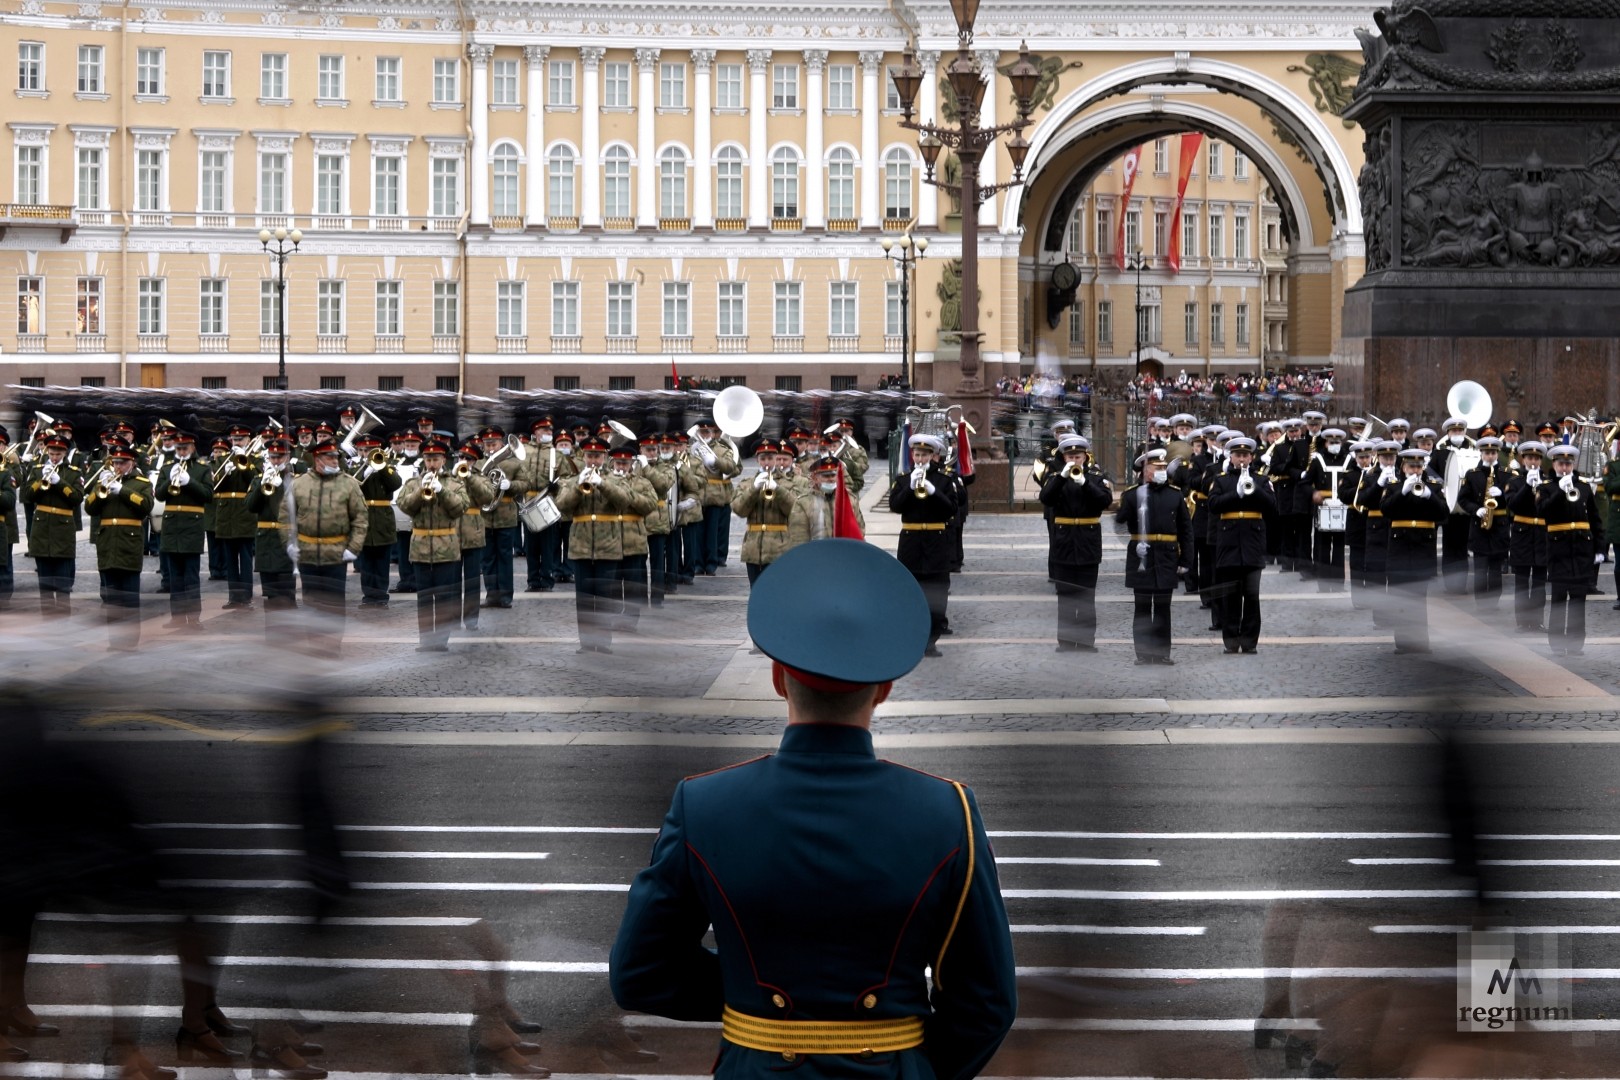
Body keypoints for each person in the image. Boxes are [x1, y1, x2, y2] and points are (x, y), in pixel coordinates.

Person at [609, 539, 1017, 1080]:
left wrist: (752, 997)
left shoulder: (703, 804)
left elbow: (641, 973)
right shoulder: (948, 811)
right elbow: (986, 1002)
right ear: (885, 691)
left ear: (779, 680)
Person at [555, 436, 654, 654]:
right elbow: (561, 506)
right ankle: (586, 643)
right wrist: (578, 487)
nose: (593, 460)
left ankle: (603, 642)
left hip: (608, 546)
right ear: (583, 456)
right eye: (589, 456)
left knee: (604, 597)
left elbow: (624, 501)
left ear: (605, 457)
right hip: (581, 546)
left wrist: (602, 484)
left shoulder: (617, 480)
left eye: (597, 456)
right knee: (584, 598)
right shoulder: (572, 480)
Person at [1114, 448, 1193, 665]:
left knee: (1162, 608)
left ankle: (1161, 653)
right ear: (1144, 471)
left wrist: (1186, 560)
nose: (1161, 471)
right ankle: (1143, 653)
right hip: (1141, 557)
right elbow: (1119, 523)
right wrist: (1132, 540)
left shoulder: (1174, 494)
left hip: (1167, 556)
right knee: (1141, 607)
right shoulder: (1132, 494)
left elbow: (1186, 530)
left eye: (1162, 467)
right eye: (1155, 467)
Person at [1039, 434, 1113, 652]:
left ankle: (1086, 641)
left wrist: (1085, 483)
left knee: (1086, 596)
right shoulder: (1055, 476)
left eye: (1077, 456)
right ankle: (1066, 641)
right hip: (1063, 541)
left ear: (1085, 457)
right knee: (1066, 596)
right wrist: (1062, 477)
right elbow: (1045, 498)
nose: (1074, 460)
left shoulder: (1097, 477)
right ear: (1063, 457)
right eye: (1070, 456)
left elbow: (1105, 501)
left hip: (1088, 541)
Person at [290, 438, 368, 647]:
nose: (335, 460)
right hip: (307, 551)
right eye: (330, 457)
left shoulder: (349, 483)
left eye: (336, 457)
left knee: (333, 603)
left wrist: (354, 547)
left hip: (336, 552)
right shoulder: (300, 483)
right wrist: (290, 543)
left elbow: (360, 518)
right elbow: (286, 517)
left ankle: (332, 645)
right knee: (311, 601)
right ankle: (314, 643)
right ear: (317, 459)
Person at [889, 433, 959, 658]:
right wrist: (910, 487)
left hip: (937, 542)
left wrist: (933, 491)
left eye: (925, 454)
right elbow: (896, 506)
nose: (920, 458)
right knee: (911, 591)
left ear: (934, 455)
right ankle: (913, 637)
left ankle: (931, 640)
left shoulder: (944, 480)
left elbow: (951, 509)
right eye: (917, 454)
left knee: (937, 593)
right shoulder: (902, 479)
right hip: (911, 542)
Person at [1207, 436, 1277, 654]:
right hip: (1228, 544)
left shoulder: (1262, 480)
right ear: (1231, 457)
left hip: (1253, 544)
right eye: (1238, 456)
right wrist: (1234, 493)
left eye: (1246, 455)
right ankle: (1231, 640)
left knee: (1252, 596)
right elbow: (1213, 505)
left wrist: (1253, 488)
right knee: (1231, 596)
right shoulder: (1220, 480)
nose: (1242, 459)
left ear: (1252, 457)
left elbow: (1272, 506)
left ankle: (1249, 641)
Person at [397, 439, 467, 652]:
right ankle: (426, 641)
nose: (431, 464)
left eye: (435, 459)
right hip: (420, 549)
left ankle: (441, 641)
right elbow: (404, 506)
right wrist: (421, 490)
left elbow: (460, 508)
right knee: (424, 599)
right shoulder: (413, 483)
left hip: (446, 547)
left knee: (444, 598)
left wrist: (442, 491)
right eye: (428, 459)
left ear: (443, 459)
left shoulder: (455, 483)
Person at [83, 440, 152, 650]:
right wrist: (100, 490)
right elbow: (89, 508)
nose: (118, 467)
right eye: (115, 463)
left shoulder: (142, 482)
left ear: (131, 462)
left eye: (122, 463)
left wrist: (122, 490)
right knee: (112, 601)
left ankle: (130, 644)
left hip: (129, 545)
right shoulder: (104, 481)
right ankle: (114, 642)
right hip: (107, 545)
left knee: (130, 600)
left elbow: (145, 506)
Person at [1379, 448, 1449, 654]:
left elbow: (1444, 513)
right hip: (1400, 547)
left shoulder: (1433, 487)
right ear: (1403, 467)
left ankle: (1420, 641)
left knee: (1419, 597)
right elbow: (1385, 510)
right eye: (1411, 466)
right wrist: (1402, 491)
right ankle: (1403, 642)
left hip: (1423, 548)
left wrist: (1429, 496)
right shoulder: (1393, 487)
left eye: (1419, 467)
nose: (1415, 471)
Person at [1539, 444, 1604, 655]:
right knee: (1559, 600)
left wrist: (1599, 548)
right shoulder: (1546, 487)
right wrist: (1560, 490)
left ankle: (1576, 645)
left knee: (1578, 601)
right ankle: (1557, 645)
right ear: (1554, 465)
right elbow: (1543, 512)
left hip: (1581, 551)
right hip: (1558, 551)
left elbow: (1594, 520)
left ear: (1573, 464)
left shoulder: (1584, 487)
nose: (1564, 467)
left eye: (1568, 463)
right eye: (1560, 463)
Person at [19, 433, 82, 618]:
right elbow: (27, 496)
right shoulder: (38, 469)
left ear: (65, 453)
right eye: (52, 453)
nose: (55, 457)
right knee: (44, 584)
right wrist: (41, 482)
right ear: (47, 451)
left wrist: (60, 483)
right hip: (41, 530)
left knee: (63, 584)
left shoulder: (73, 472)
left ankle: (63, 621)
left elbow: (77, 498)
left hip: (63, 531)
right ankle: (47, 620)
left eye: (59, 453)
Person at [157, 433, 212, 629]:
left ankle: (194, 618)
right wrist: (168, 480)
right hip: (172, 527)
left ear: (192, 447)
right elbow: (159, 495)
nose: (181, 452)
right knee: (175, 577)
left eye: (184, 448)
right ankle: (177, 617)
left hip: (192, 527)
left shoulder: (202, 469)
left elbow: (207, 495)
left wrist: (190, 482)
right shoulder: (166, 468)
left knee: (191, 576)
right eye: (178, 448)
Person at [1456, 436, 1513, 610]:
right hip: (1480, 526)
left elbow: (1514, 499)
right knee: (1480, 570)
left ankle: (1493, 602)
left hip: (1499, 526)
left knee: (1496, 570)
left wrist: (1503, 494)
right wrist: (1476, 510)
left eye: (1493, 453)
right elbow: (1463, 499)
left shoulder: (1506, 474)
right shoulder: (1472, 474)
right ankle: (1481, 603)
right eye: (1487, 453)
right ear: (1481, 453)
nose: (1490, 456)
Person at [245, 438, 297, 628]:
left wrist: (282, 487)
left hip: (286, 542)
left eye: (279, 456)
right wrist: (262, 487)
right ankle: (273, 635)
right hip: (266, 543)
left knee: (286, 593)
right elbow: (250, 507)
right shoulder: (259, 478)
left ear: (288, 456)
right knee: (270, 594)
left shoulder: (295, 480)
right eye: (272, 456)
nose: (275, 460)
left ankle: (290, 634)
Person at [732, 439, 799, 587]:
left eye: (770, 458)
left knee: (775, 591)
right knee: (755, 591)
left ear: (776, 458)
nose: (767, 462)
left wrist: (778, 489)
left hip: (778, 547)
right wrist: (754, 489)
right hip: (753, 547)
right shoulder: (747, 483)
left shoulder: (788, 483)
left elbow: (795, 510)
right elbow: (739, 509)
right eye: (763, 459)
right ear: (757, 460)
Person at [351, 433, 401, 610]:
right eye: (363, 450)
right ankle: (368, 596)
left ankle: (380, 596)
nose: (366, 453)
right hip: (363, 517)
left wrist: (381, 468)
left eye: (370, 450)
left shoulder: (387, 466)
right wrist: (363, 472)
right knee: (366, 562)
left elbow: (396, 483)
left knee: (381, 560)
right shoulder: (354, 467)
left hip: (382, 519)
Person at [1504, 441, 1550, 632]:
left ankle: (1537, 620)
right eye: (1529, 458)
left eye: (1536, 459)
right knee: (1522, 581)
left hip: (1541, 535)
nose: (1533, 462)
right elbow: (1512, 505)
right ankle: (1522, 622)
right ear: (1523, 460)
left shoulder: (1547, 482)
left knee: (1539, 582)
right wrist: (1526, 487)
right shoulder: (1514, 482)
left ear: (1540, 461)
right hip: (1522, 535)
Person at [214, 425, 259, 610]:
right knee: (231, 558)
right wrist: (226, 472)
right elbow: (215, 486)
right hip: (226, 514)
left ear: (248, 440)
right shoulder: (223, 460)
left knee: (246, 559)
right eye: (234, 439)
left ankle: (246, 596)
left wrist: (245, 460)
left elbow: (255, 480)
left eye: (240, 439)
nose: (237, 442)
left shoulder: (255, 459)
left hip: (245, 512)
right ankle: (233, 596)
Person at [453, 443, 497, 631]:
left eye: (468, 459)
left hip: (474, 532)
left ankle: (471, 619)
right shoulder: (449, 476)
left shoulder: (481, 478)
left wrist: (470, 477)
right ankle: (453, 619)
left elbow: (488, 497)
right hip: (451, 532)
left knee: (471, 580)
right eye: (461, 457)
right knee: (452, 580)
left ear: (475, 461)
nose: (464, 461)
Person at [478, 427, 523, 610]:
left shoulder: (513, 464)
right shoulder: (478, 463)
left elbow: (525, 484)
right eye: (487, 444)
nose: (490, 447)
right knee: (487, 559)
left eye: (494, 444)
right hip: (484, 517)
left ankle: (505, 596)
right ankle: (491, 594)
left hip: (505, 515)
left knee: (504, 557)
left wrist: (510, 484)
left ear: (501, 444)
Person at [1305, 427, 1354, 592]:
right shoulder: (1317, 460)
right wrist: (1314, 493)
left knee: (1339, 547)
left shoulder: (1349, 460)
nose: (1335, 445)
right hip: (1323, 507)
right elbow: (1304, 483)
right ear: (1325, 443)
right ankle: (1324, 583)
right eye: (1331, 442)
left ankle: (1339, 583)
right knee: (1323, 546)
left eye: (1337, 442)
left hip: (1342, 507)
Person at [691, 418, 740, 575]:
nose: (705, 434)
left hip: (715, 495)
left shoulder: (721, 448)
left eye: (708, 431)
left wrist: (716, 461)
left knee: (712, 531)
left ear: (712, 432)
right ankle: (698, 563)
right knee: (698, 532)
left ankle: (711, 563)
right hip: (698, 494)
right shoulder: (692, 449)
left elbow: (732, 466)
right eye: (702, 432)